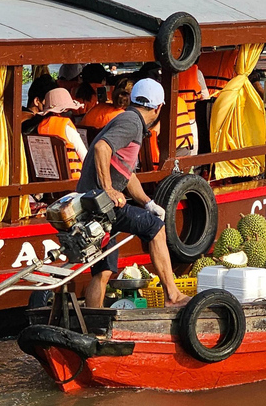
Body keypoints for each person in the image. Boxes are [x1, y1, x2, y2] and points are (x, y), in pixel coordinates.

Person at [78, 78, 190, 308]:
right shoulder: (132, 122)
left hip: (92, 205)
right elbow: (101, 148)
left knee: (104, 270)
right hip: (100, 204)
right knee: (155, 228)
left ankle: (93, 323)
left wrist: (148, 203)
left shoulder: (127, 119)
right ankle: (173, 296)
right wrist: (108, 189)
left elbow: (126, 172)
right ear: (158, 108)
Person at [37, 88, 87, 179]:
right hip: (74, 181)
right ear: (64, 110)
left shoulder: (41, 127)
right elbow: (85, 157)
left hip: (49, 180)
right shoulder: (67, 128)